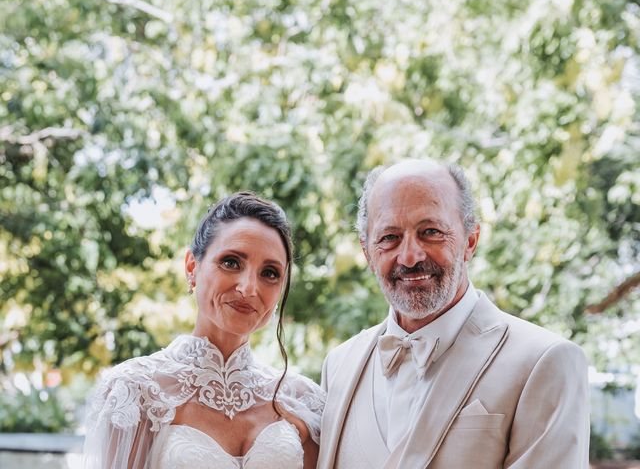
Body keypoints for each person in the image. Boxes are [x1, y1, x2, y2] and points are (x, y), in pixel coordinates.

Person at [317, 159, 590, 468]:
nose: (409, 257)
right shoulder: (338, 365)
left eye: (430, 231)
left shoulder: (546, 361)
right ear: (367, 252)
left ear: (470, 241)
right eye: (389, 237)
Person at [83, 192, 325, 469]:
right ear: (191, 268)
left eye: (269, 273)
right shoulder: (135, 389)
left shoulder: (303, 400)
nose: (248, 288)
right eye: (231, 262)